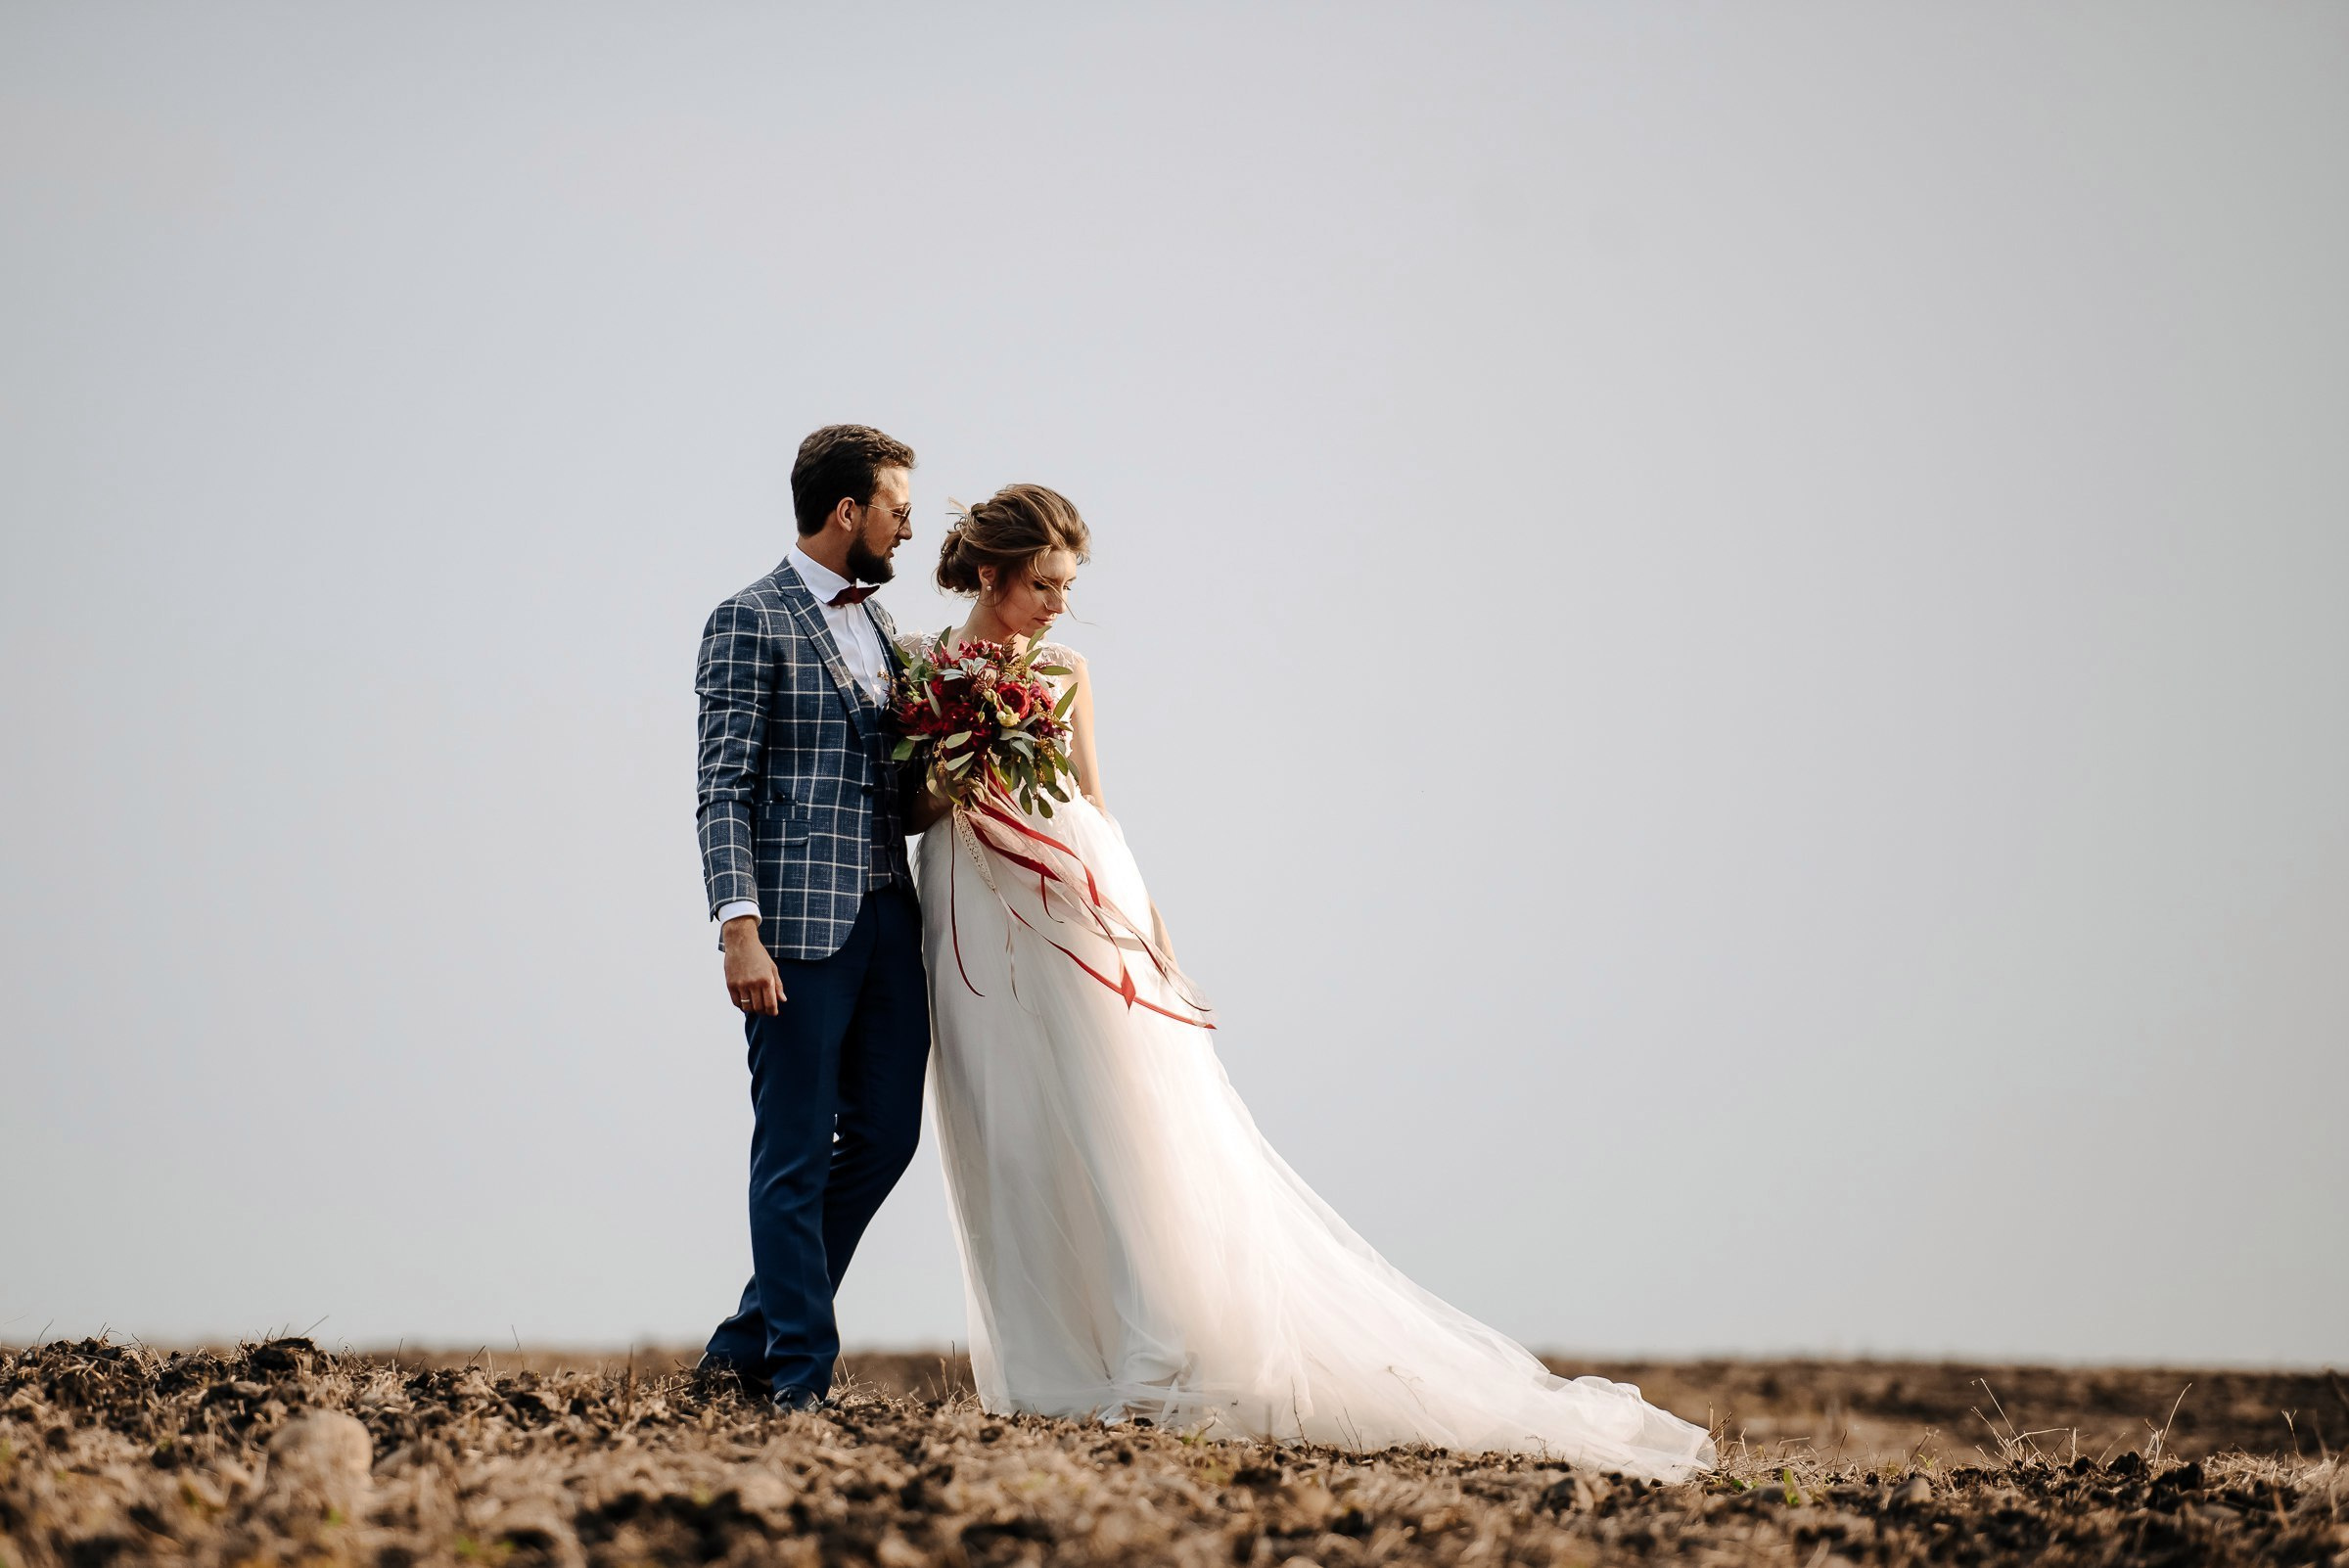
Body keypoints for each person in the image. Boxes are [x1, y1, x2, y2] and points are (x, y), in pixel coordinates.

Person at [902, 484, 1718, 1479]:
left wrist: (1146, 920)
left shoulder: (1067, 670)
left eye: (1069, 587)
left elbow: (1096, 802)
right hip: (970, 896)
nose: (1059, 606)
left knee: (1114, 1116)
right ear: (991, 574)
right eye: (1044, 585)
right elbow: (906, 798)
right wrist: (957, 756)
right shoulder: (923, 669)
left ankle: (1157, 1351)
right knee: (1010, 1122)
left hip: (1074, 893)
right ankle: (1048, 1368)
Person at [694, 424, 930, 1410]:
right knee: (791, 1151)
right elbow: (723, 785)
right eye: (898, 512)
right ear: (848, 513)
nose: (907, 532)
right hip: (793, 932)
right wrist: (736, 926)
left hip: (888, 922)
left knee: (886, 1136)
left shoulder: (880, 630)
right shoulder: (747, 619)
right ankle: (798, 1385)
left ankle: (744, 1341)